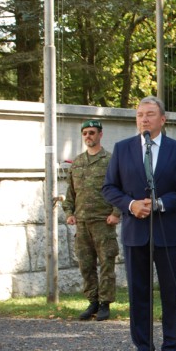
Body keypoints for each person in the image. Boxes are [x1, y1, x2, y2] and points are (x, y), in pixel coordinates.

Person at [102, 96, 176, 351]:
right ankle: (142, 348)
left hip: (167, 232)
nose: (144, 119)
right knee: (138, 292)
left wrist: (161, 203)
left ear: (162, 119)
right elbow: (109, 187)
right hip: (135, 233)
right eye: (140, 115)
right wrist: (131, 205)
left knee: (170, 293)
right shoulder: (122, 149)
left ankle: (172, 348)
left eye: (150, 114)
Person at [63, 119, 120, 321]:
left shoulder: (110, 160)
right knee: (86, 266)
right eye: (85, 133)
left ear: (100, 135)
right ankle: (92, 301)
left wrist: (116, 213)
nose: (88, 136)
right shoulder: (77, 163)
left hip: (103, 222)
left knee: (106, 265)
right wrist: (69, 213)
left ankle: (105, 303)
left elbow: (120, 188)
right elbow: (71, 192)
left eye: (92, 132)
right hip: (82, 224)